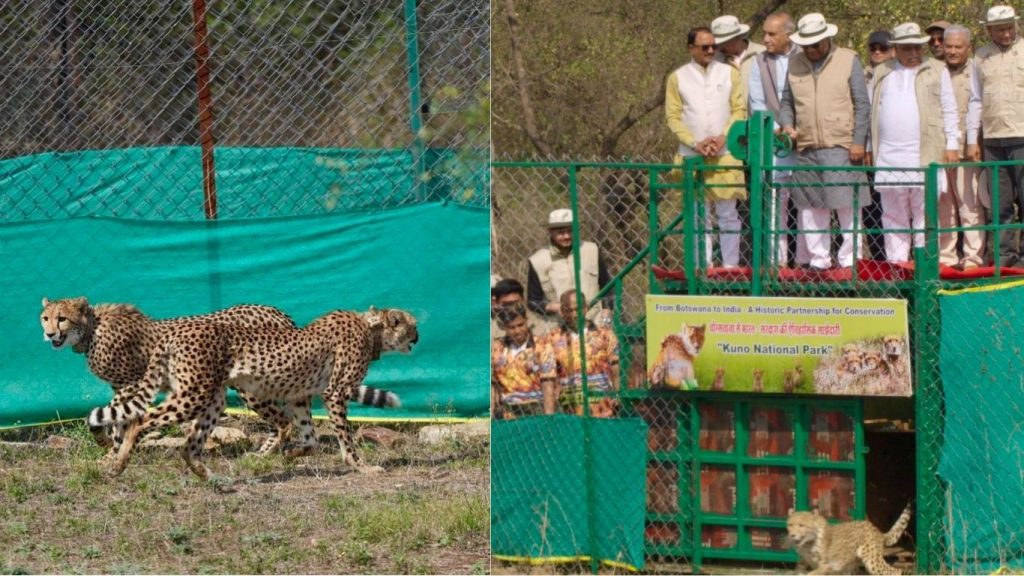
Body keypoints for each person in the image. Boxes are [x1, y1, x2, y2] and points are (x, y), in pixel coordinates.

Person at [778, 13, 872, 270]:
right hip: (806, 147)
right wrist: (787, 124)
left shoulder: (848, 59)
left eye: (816, 44)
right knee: (810, 206)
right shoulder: (794, 64)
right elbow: (786, 103)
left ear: (827, 39)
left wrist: (858, 141)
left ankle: (850, 262)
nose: (811, 49)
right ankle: (819, 261)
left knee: (846, 204)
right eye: (806, 45)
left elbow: (862, 104)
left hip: (841, 145)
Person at [869, 22, 960, 264]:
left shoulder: (937, 69)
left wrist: (952, 143)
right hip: (889, 156)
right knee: (893, 215)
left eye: (918, 47)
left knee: (926, 214)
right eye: (907, 48)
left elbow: (949, 109)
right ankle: (897, 267)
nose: (914, 53)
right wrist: (869, 148)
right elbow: (871, 113)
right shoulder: (882, 72)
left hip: (925, 155)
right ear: (895, 49)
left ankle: (925, 265)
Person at [665, 26, 747, 268]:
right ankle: (703, 267)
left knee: (728, 214)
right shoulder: (677, 77)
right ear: (691, 48)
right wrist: (695, 143)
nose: (711, 50)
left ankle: (730, 266)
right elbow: (673, 116)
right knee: (698, 216)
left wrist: (724, 137)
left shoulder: (729, 73)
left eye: (713, 45)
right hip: (693, 155)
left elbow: (739, 109)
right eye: (704, 47)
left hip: (725, 153)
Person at [748, 12, 809, 268]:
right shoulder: (759, 62)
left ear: (788, 34)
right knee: (775, 201)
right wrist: (779, 131)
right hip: (775, 141)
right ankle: (778, 262)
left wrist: (798, 130)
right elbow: (757, 104)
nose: (765, 39)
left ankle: (806, 261)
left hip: (805, 139)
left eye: (772, 34)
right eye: (764, 33)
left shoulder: (805, 55)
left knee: (808, 200)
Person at [968, 5, 1024, 268]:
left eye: (1008, 27)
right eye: (1000, 29)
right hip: (993, 140)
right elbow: (976, 99)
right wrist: (972, 139)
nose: (1005, 33)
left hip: (1022, 135)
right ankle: (1004, 260)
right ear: (989, 30)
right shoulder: (980, 57)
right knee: (999, 206)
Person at [940, 24, 988, 269]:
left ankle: (973, 257)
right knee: (943, 207)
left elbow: (978, 108)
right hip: (940, 149)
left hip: (968, 149)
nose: (953, 51)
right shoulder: (935, 71)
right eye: (948, 46)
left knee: (969, 205)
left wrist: (973, 142)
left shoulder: (977, 70)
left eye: (958, 46)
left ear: (968, 47)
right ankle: (946, 257)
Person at [526, 208, 613, 334]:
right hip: (559, 328)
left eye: (570, 231)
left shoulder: (592, 250)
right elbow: (533, 301)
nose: (567, 236)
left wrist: (607, 313)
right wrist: (554, 307)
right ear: (550, 232)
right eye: (561, 232)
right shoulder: (538, 260)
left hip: (595, 322)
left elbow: (607, 285)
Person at [536, 290, 620, 416]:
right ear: (562, 311)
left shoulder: (605, 335)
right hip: (569, 413)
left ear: (585, 308)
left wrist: (618, 395)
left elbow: (617, 370)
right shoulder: (551, 339)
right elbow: (548, 378)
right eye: (569, 310)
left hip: (603, 410)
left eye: (577, 309)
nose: (574, 314)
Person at [864, 30, 894, 262]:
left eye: (882, 48)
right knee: (871, 207)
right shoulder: (862, 76)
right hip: (867, 153)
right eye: (873, 48)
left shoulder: (897, 74)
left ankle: (903, 258)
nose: (877, 52)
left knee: (897, 207)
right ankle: (879, 258)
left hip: (893, 151)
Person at [491, 305, 542, 420]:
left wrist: (549, 417)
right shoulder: (498, 348)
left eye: (520, 325)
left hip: (536, 410)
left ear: (526, 321)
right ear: (505, 328)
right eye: (512, 327)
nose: (517, 331)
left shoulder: (540, 345)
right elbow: (494, 384)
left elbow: (548, 382)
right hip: (508, 412)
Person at [712, 14, 766, 104]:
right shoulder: (714, 61)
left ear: (737, 38)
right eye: (718, 43)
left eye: (724, 42)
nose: (720, 47)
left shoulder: (763, 54)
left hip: (762, 115)